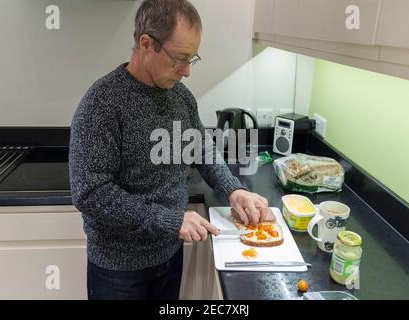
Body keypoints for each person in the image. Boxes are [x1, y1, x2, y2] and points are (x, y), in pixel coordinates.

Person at [69, 0, 270, 300]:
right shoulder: (102, 103)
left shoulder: (181, 97)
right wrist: (171, 220)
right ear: (146, 43)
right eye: (180, 59)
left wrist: (233, 189)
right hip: (119, 270)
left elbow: (201, 149)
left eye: (192, 59)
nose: (187, 71)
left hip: (169, 255)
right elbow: (91, 193)